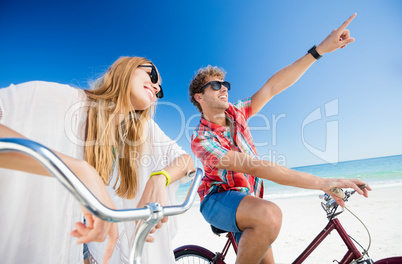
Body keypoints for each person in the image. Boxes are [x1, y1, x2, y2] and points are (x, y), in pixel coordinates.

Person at [189, 14, 371, 264]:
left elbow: (273, 87)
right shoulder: (202, 138)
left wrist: (319, 51)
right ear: (199, 97)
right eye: (216, 85)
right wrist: (323, 182)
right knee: (270, 215)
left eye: (226, 83)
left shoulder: (237, 112)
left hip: (248, 199)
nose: (225, 88)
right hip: (218, 200)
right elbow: (252, 165)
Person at [0, 56, 194, 264]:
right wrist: (81, 170)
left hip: (93, 246)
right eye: (152, 75)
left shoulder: (143, 131)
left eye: (160, 89)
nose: (156, 87)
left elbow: (185, 160)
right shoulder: (64, 100)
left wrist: (160, 178)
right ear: (125, 68)